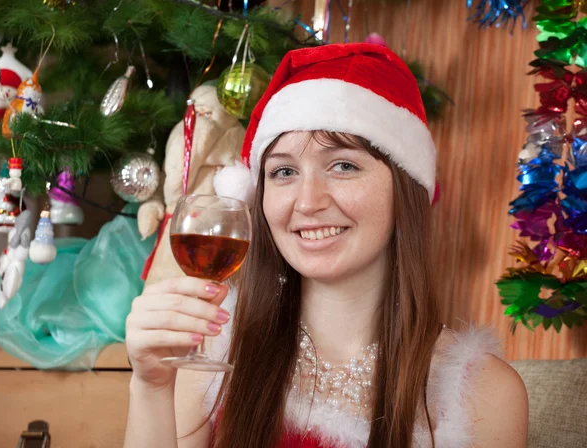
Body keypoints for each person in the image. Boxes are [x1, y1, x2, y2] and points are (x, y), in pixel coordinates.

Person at [123, 43, 529, 448]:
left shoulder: (482, 393)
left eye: (344, 166)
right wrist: (151, 387)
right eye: (283, 171)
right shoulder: (215, 354)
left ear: (404, 190)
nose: (308, 201)